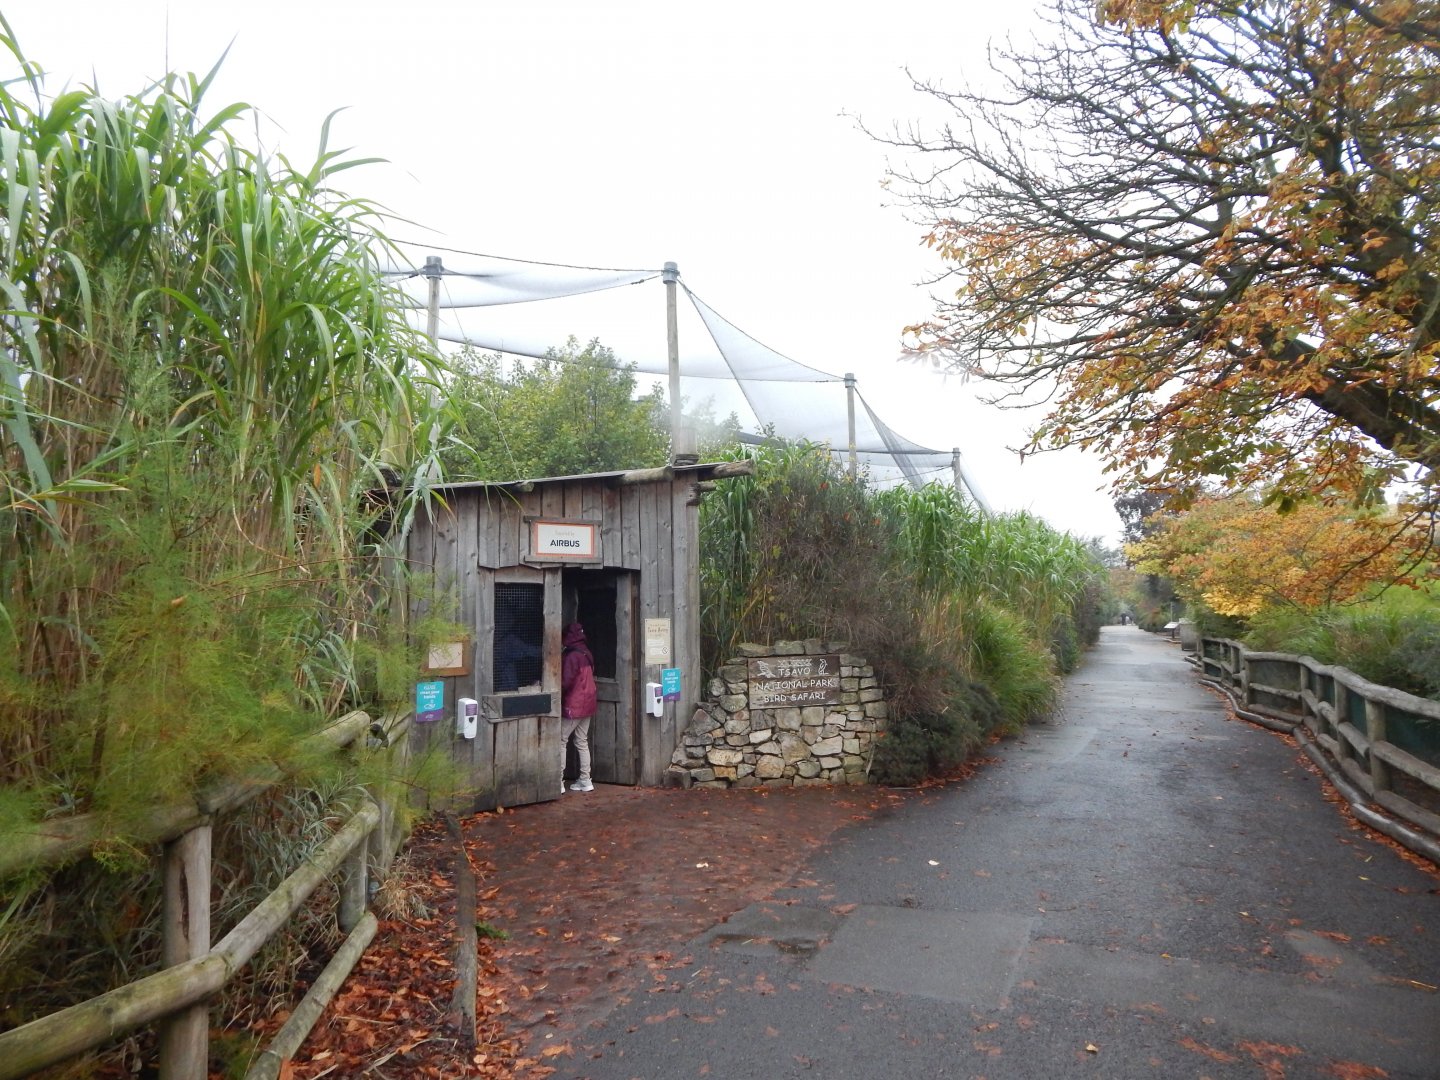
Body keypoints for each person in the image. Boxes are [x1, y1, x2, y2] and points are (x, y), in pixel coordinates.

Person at [560, 621, 597, 794]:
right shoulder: (586, 652)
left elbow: (565, 681)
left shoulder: (571, 656)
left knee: (561, 740)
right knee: (582, 741)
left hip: (574, 704)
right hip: (588, 703)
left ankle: (557, 781)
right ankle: (585, 780)